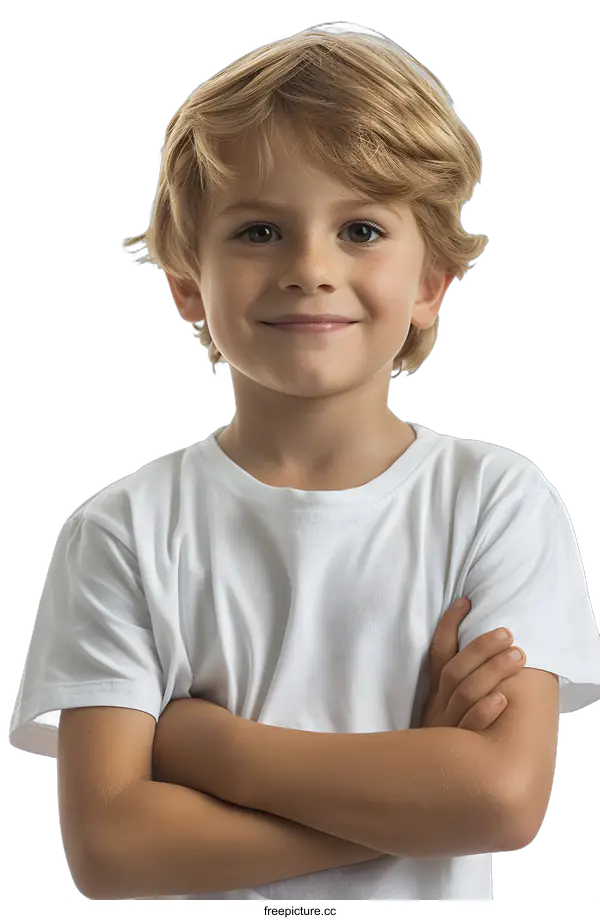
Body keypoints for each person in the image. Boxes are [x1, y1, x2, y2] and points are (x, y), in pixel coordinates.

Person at [9, 27, 600, 900]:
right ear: (187, 284)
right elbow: (114, 854)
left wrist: (208, 747)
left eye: (361, 227)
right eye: (258, 231)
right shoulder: (122, 533)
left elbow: (502, 800)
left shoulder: (495, 503)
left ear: (432, 278)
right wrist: (412, 793)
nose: (310, 269)